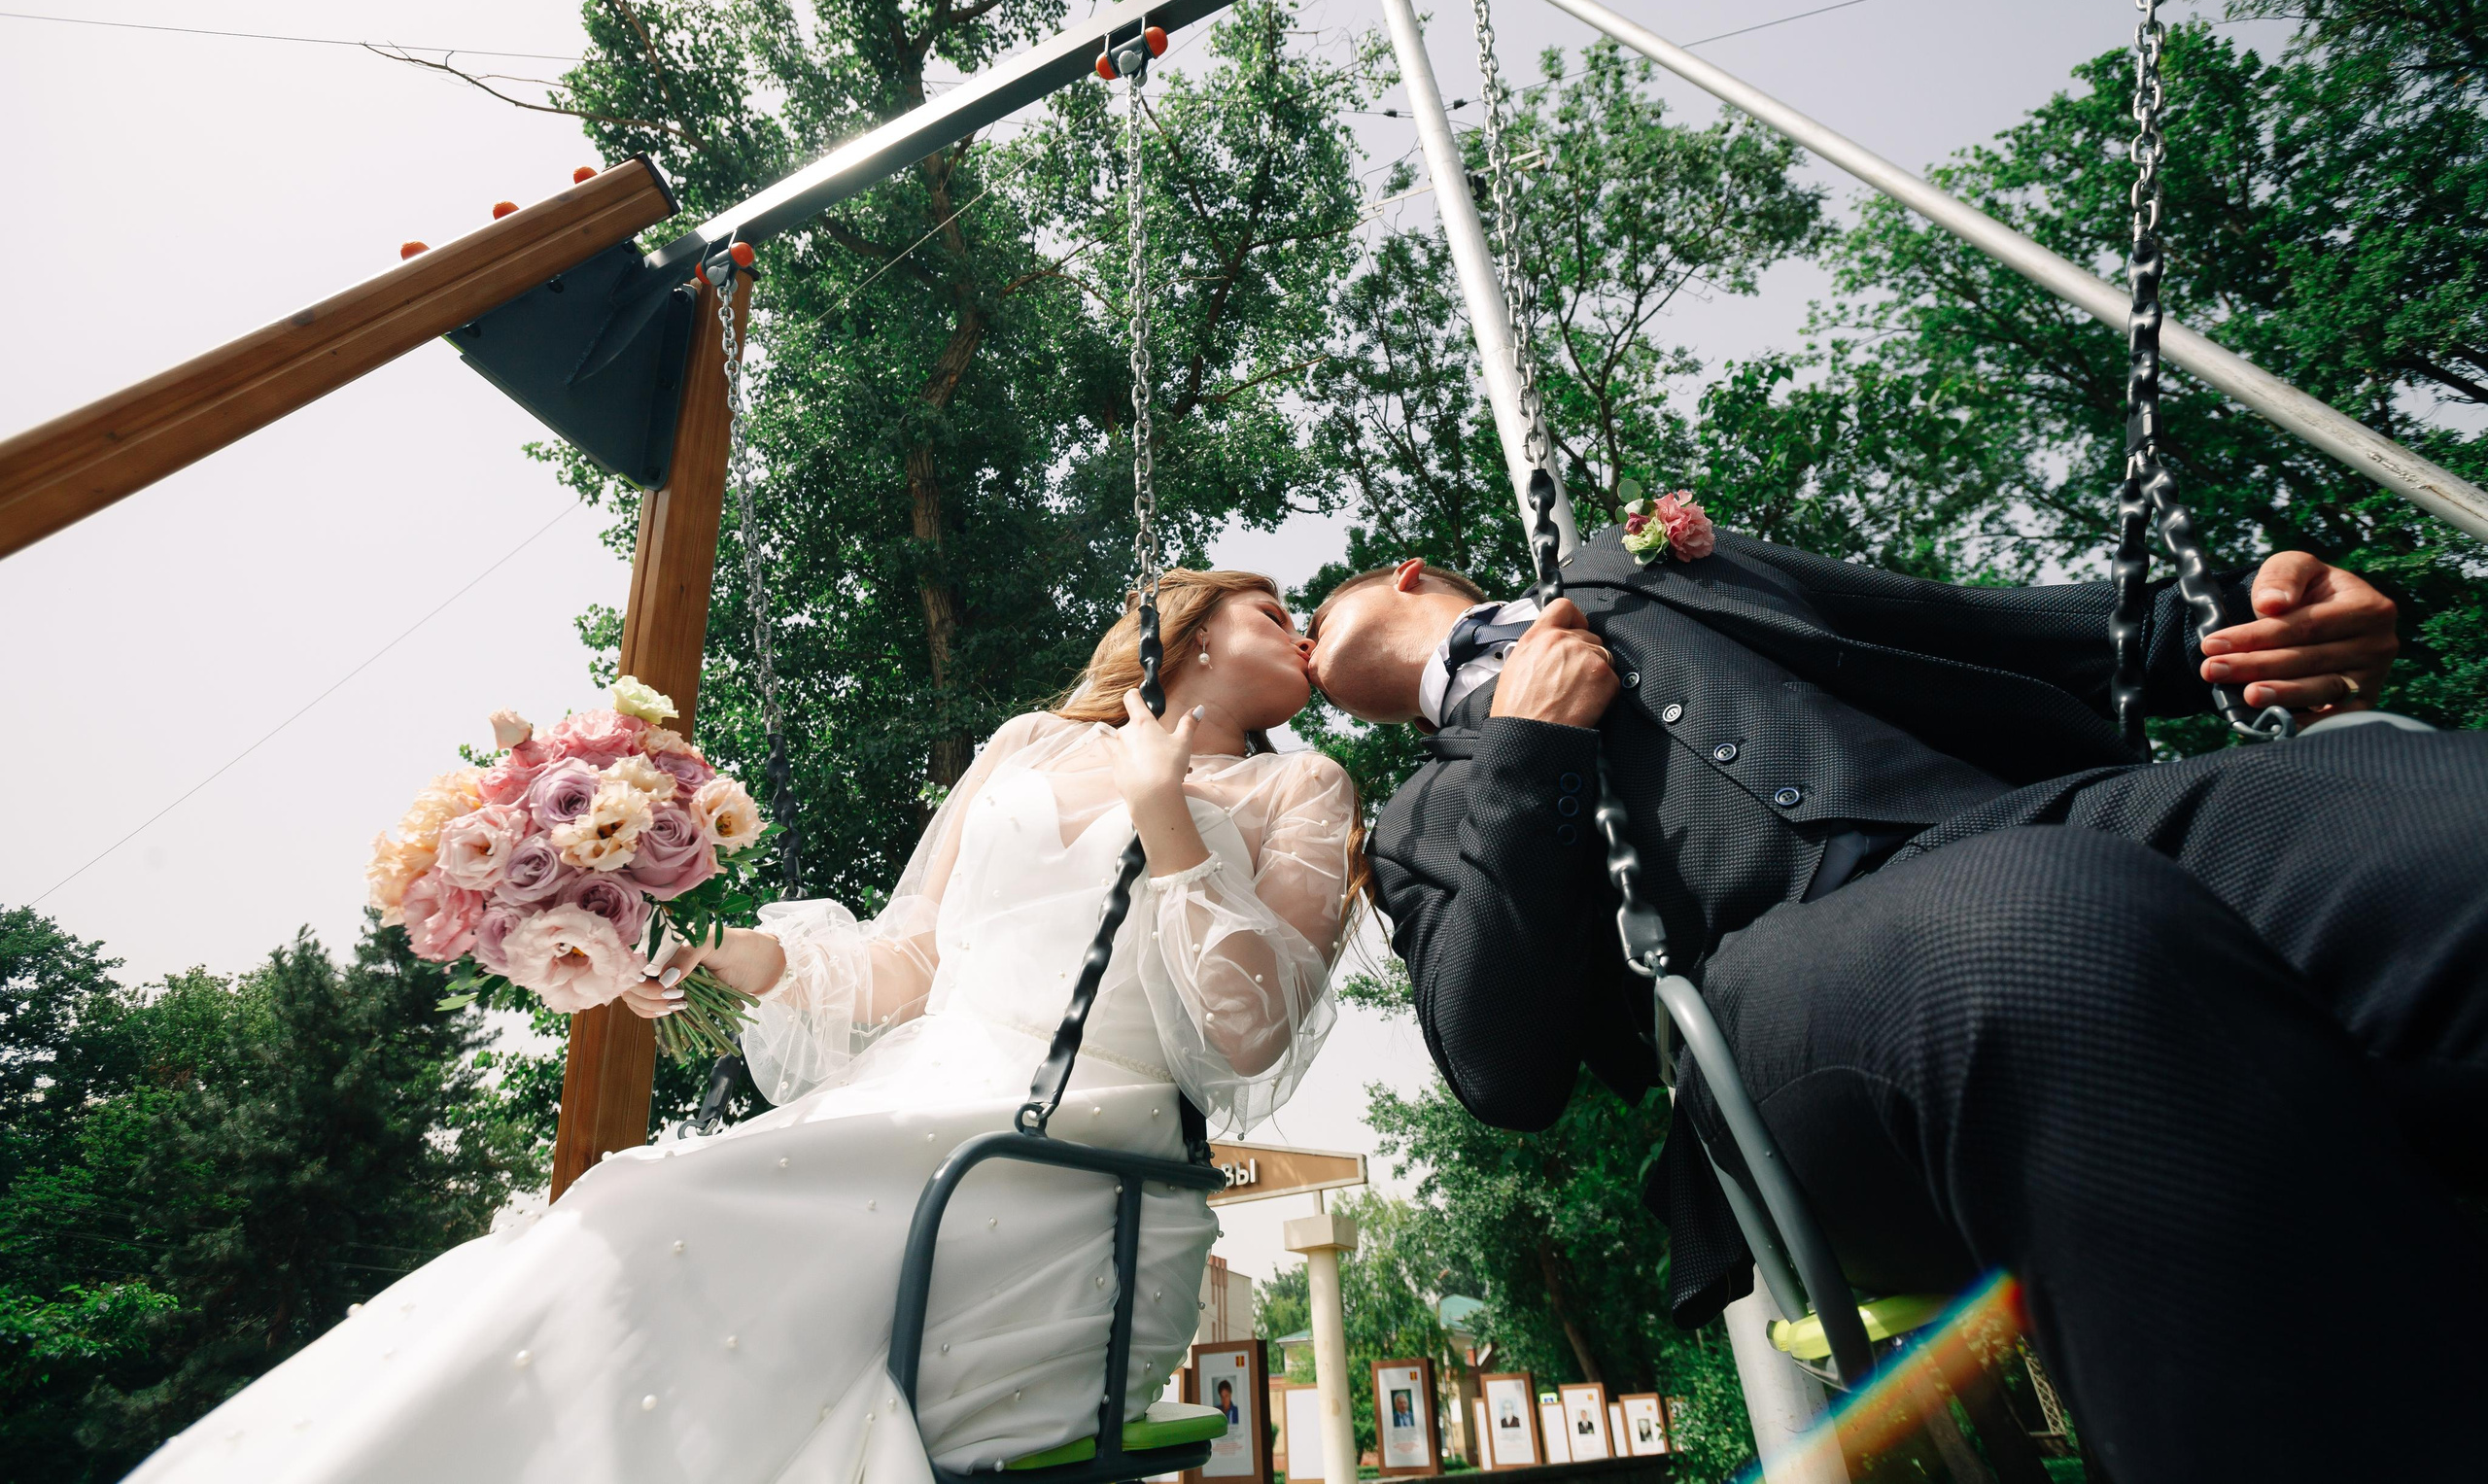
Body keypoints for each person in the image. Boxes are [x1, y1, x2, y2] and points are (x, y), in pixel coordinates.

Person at [1308, 527, 2488, 1484]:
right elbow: (1497, 1067)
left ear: (1407, 576)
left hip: (2055, 822)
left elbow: (1974, 625)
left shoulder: (1638, 564)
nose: (1302, 644)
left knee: (2443, 823)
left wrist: (2257, 618)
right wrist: (1527, 745)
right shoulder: (1414, 826)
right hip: (1785, 1007)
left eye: (1310, 613)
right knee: (2040, 927)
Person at [134, 570, 1359, 1484]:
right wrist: (719, 950)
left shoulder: (1297, 786)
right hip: (925, 1079)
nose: (1301, 631)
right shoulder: (1028, 744)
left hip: (1080, 1131)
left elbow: (1249, 1032)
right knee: (626, 1199)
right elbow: (908, 964)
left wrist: (1166, 814)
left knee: (660, 1209)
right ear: (1192, 628)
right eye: (1275, 610)